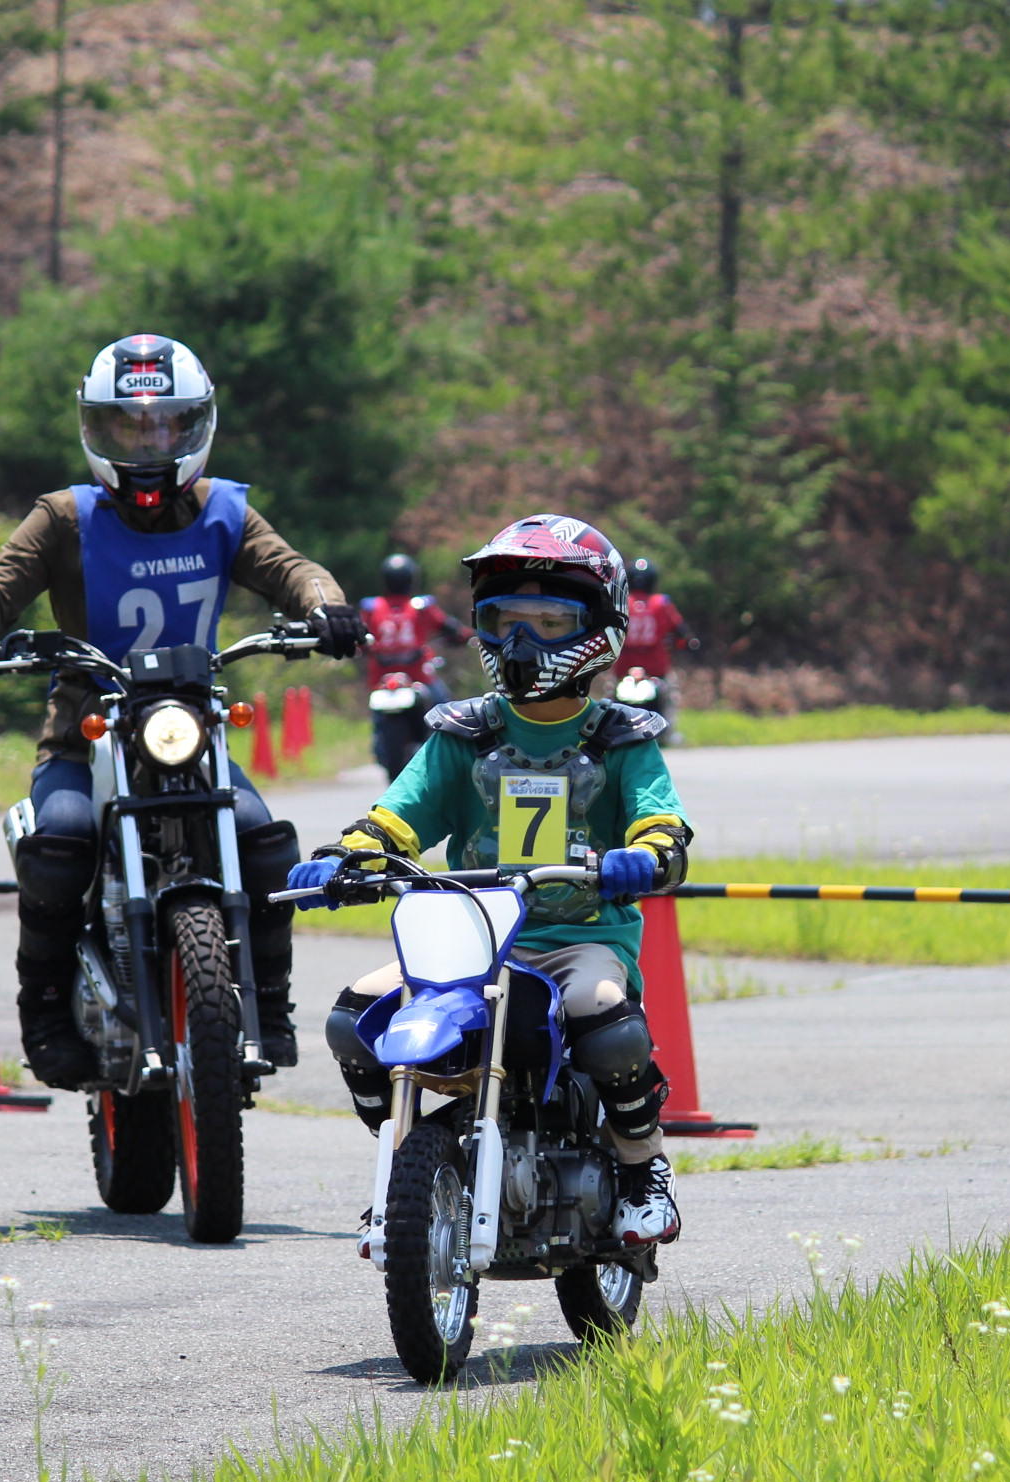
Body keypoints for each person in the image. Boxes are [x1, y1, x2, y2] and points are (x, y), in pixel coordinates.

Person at [0, 333, 365, 1091]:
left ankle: (268, 1005)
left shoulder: (226, 511)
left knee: (267, 844)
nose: (149, 440)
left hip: (190, 733)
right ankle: (42, 1009)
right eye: (129, 424)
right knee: (61, 843)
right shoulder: (65, 517)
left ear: (196, 426)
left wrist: (325, 607)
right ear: (95, 428)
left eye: (168, 422)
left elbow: (295, 571)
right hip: (85, 736)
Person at [284, 515, 695, 1247]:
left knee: (604, 1016)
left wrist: (648, 852)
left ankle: (641, 1166)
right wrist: (351, 854)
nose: (521, 643)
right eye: (504, 620)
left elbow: (660, 821)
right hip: (470, 936)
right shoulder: (463, 731)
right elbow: (399, 815)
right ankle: (409, 1155)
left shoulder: (619, 737)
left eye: (548, 622)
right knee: (354, 1018)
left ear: (599, 627)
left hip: (578, 938)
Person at [358, 553, 473, 699]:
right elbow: (449, 627)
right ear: (411, 579)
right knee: (444, 704)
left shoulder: (371, 608)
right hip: (418, 676)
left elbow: (359, 637)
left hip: (381, 679)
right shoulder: (420, 607)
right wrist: (465, 634)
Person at [621, 556, 699, 681]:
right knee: (670, 694)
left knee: (609, 696)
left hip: (623, 670)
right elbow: (680, 631)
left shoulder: (621, 603)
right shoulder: (662, 603)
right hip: (655, 671)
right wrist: (688, 643)